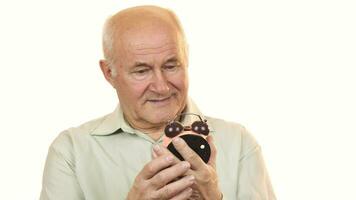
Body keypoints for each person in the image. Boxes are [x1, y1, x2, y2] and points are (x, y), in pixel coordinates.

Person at [40, 5, 276, 200]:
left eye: (171, 65)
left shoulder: (239, 143)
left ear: (187, 59)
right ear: (109, 73)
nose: (162, 87)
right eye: (141, 71)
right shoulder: (70, 152)